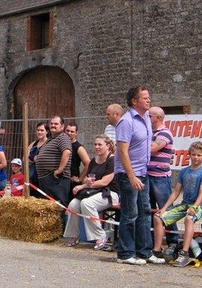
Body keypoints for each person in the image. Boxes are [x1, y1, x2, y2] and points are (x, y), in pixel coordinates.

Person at [115, 85, 156, 266]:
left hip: (143, 172)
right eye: (145, 98)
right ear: (134, 101)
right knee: (130, 214)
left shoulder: (146, 118)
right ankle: (125, 253)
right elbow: (122, 152)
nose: (148, 100)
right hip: (128, 174)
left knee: (144, 213)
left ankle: (144, 252)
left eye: (149, 97)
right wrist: (131, 177)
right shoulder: (126, 121)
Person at [152, 141, 202, 267]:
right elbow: (176, 192)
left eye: (199, 155)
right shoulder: (184, 172)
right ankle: (156, 251)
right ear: (189, 155)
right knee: (158, 218)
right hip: (185, 204)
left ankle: (184, 253)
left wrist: (195, 207)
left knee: (189, 219)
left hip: (201, 205)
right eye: (193, 154)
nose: (196, 157)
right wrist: (164, 208)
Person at [64, 135, 119, 250]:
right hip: (93, 192)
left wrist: (82, 186)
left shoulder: (113, 160)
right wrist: (86, 181)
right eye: (95, 144)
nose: (97, 147)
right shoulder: (93, 161)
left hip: (110, 193)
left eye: (100, 144)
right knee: (73, 204)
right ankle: (73, 235)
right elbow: (86, 178)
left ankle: (100, 236)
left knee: (87, 203)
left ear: (108, 146)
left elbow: (104, 182)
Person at [147, 106, 178, 248]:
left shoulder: (164, 133)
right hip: (147, 175)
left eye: (150, 116)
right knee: (148, 209)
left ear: (158, 117)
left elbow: (152, 149)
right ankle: (151, 240)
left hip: (160, 177)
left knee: (166, 209)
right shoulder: (148, 133)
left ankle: (173, 241)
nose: (147, 118)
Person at [35, 116, 72, 207]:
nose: (53, 125)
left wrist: (59, 170)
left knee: (58, 206)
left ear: (62, 126)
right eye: (51, 124)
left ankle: (62, 221)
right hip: (47, 179)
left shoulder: (63, 137)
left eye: (56, 124)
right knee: (49, 207)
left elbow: (66, 152)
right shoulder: (52, 139)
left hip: (56, 179)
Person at [65, 122, 91, 202]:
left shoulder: (79, 147)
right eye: (67, 131)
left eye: (72, 131)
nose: (69, 133)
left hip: (72, 182)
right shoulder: (63, 144)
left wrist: (80, 179)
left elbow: (88, 163)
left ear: (76, 133)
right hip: (63, 180)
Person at [28, 121, 49, 197]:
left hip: (43, 177)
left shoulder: (49, 143)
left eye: (42, 130)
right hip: (32, 176)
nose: (39, 132)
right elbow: (24, 158)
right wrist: (34, 158)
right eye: (38, 130)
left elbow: (41, 159)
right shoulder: (33, 143)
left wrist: (30, 157)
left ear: (47, 131)